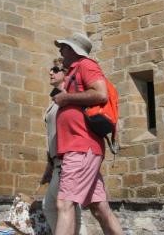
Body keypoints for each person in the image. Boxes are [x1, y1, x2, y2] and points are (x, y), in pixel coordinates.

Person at [52, 34, 125, 235]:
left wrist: (66, 98)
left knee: (64, 203)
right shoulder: (73, 72)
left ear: (75, 50)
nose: (60, 51)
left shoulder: (86, 65)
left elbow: (101, 94)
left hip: (81, 147)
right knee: (100, 209)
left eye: (64, 48)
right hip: (80, 148)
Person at [42, 59, 81, 234]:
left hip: (67, 161)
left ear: (66, 73)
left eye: (55, 69)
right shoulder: (55, 101)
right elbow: (52, 136)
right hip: (57, 163)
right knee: (52, 206)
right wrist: (49, 166)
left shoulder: (67, 101)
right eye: (50, 70)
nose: (50, 72)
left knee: (61, 206)